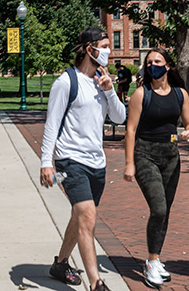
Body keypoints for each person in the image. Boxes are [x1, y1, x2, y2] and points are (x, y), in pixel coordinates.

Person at [40, 27, 126, 291]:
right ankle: (96, 283)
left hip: (97, 163)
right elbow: (52, 124)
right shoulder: (66, 82)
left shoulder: (102, 81)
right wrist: (46, 161)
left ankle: (61, 263)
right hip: (70, 160)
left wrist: (110, 90)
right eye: (105, 46)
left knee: (80, 217)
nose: (109, 52)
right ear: (90, 50)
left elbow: (120, 118)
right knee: (88, 216)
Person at [123, 48, 189, 288]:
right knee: (159, 208)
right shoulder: (141, 94)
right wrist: (130, 163)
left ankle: (156, 257)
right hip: (145, 154)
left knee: (165, 211)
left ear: (168, 66)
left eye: (158, 61)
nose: (153, 65)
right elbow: (131, 129)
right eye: (149, 62)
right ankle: (152, 262)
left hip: (171, 156)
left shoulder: (180, 94)